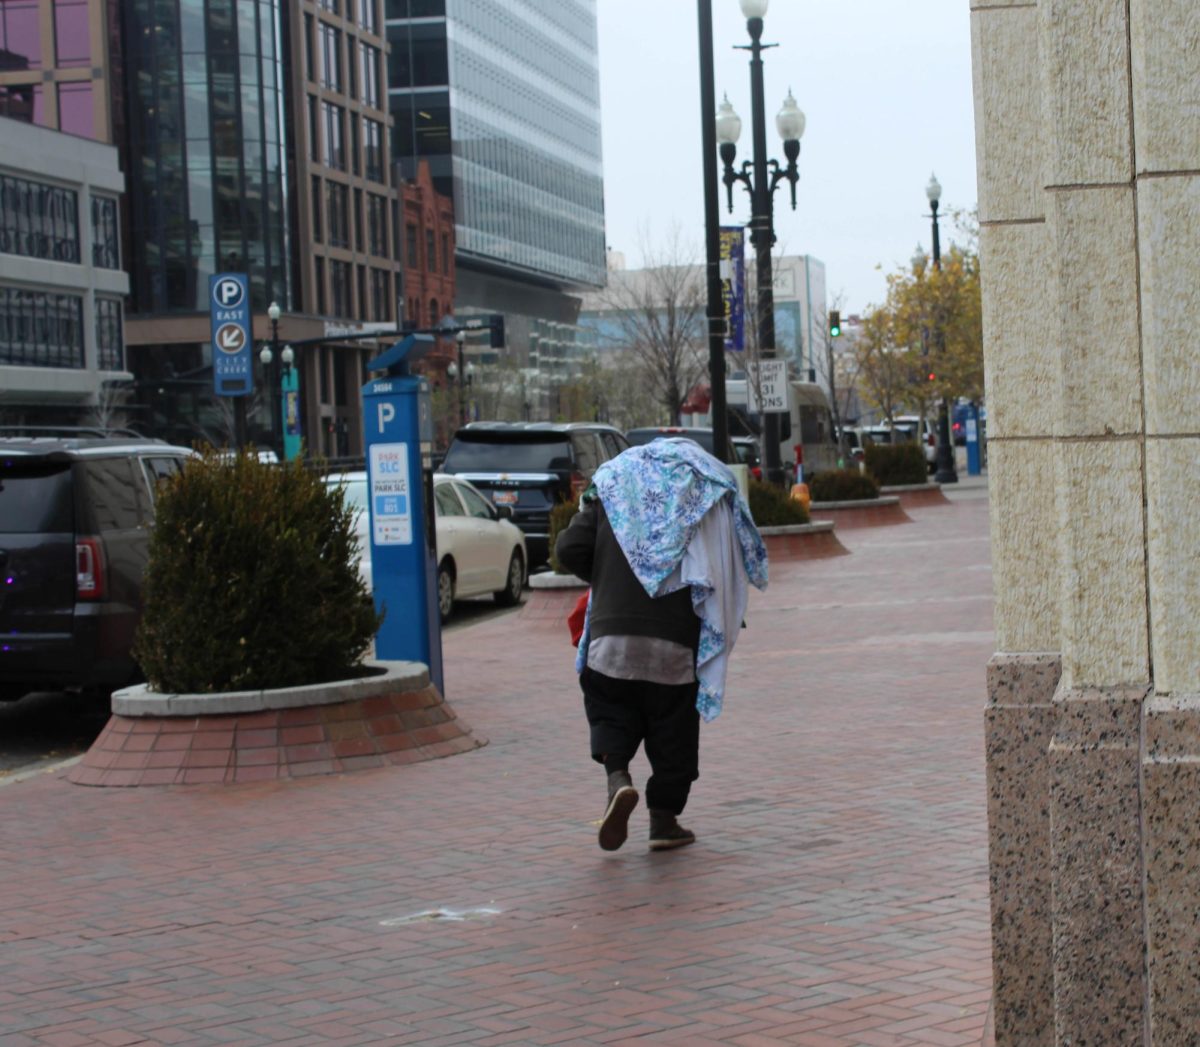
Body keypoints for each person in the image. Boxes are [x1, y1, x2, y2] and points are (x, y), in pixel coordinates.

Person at [555, 438, 767, 853]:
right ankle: (664, 820)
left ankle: (618, 778)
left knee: (610, 709)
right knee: (673, 729)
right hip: (676, 636)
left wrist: (605, 578)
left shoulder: (614, 488)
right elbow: (730, 565)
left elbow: (569, 549)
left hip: (611, 633)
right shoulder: (705, 490)